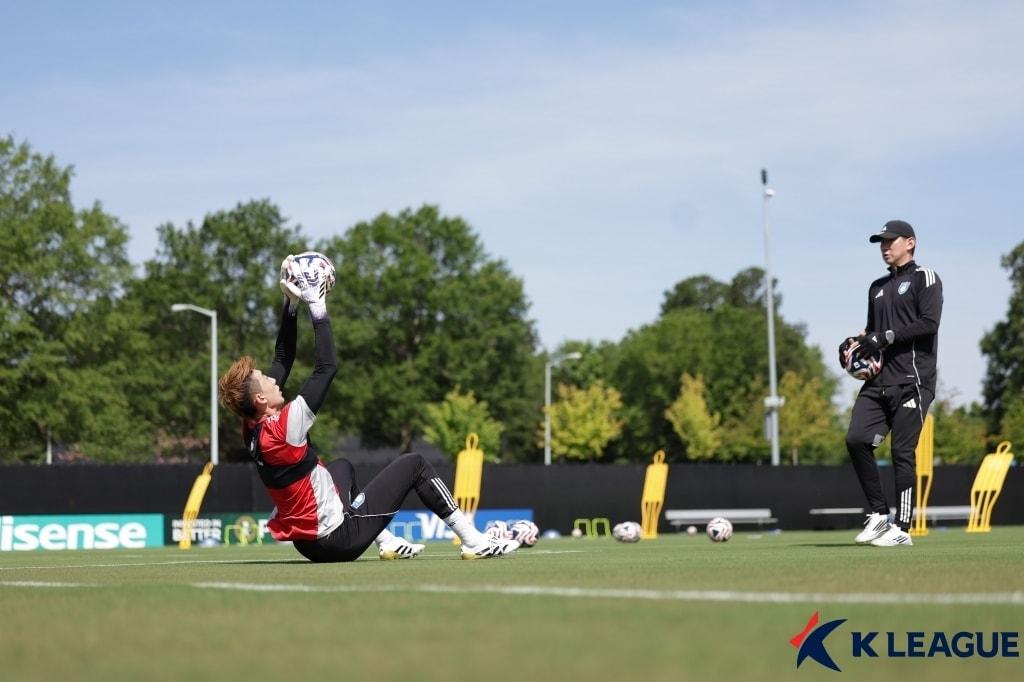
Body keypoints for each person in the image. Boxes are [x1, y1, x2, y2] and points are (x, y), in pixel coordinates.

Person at [217, 253, 519, 561]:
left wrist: (291, 306)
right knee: (414, 463)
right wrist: (317, 307)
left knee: (341, 467)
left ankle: (386, 541)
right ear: (261, 400)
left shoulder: (251, 425)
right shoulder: (286, 427)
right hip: (337, 541)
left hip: (307, 543)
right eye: (265, 379)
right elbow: (326, 367)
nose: (272, 377)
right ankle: (473, 540)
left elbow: (282, 359)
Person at [840, 220, 942, 547]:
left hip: (913, 379)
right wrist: (859, 343)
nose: (885, 247)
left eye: (890, 241)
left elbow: (929, 323)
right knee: (856, 439)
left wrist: (885, 337)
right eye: (881, 243)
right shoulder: (876, 287)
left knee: (902, 451)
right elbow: (874, 331)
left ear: (910, 242)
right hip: (879, 381)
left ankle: (902, 529)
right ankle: (878, 515)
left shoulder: (925, 278)